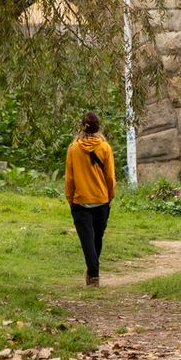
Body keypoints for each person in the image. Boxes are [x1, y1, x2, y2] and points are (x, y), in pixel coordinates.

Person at [64, 111, 117, 286]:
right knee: (97, 238)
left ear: (82, 127)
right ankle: (93, 272)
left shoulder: (73, 148)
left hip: (80, 200)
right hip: (101, 200)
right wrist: (110, 196)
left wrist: (70, 198)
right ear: (98, 127)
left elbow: (70, 178)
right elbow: (110, 177)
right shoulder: (105, 148)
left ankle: (93, 274)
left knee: (87, 239)